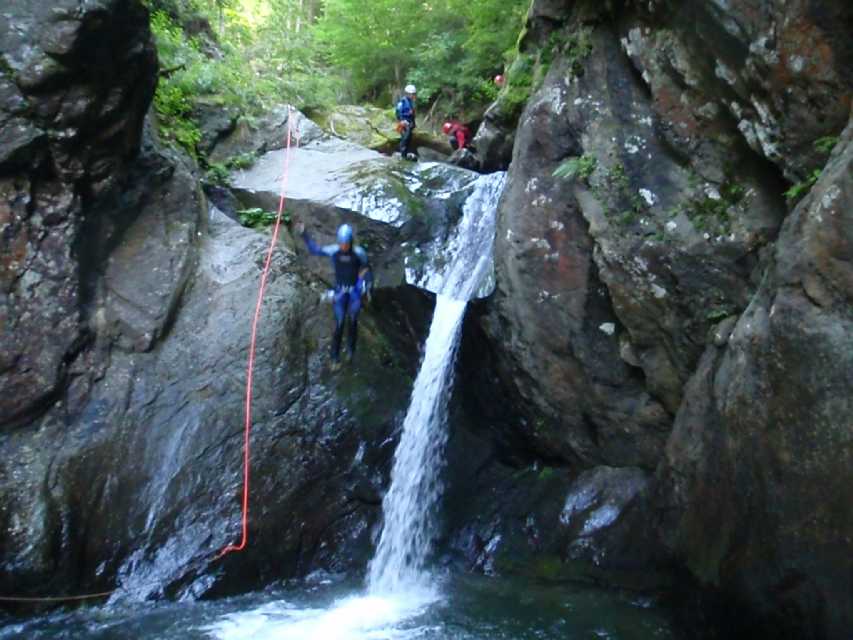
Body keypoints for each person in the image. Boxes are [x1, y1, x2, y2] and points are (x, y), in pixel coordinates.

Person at [295, 221, 373, 370]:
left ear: (350, 242)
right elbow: (315, 250)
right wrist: (304, 234)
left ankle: (351, 351)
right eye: (342, 243)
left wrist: (368, 287)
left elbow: (367, 270)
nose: (343, 246)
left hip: (354, 292)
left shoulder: (359, 253)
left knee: (353, 321)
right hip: (340, 292)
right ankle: (334, 357)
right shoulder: (334, 251)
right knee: (339, 323)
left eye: (346, 243)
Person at [395, 84, 417, 160]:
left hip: (409, 123)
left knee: (409, 138)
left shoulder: (411, 102)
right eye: (411, 94)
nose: (412, 95)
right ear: (407, 93)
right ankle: (403, 155)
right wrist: (402, 121)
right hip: (403, 123)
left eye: (413, 94)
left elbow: (412, 114)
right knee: (405, 138)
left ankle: (408, 153)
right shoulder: (402, 102)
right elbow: (398, 112)